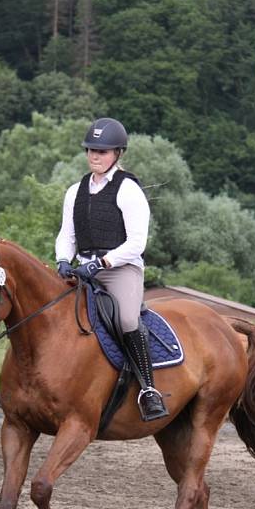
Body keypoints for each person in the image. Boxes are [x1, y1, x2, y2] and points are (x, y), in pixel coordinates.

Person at [55, 117, 169, 422]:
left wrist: (102, 263)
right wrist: (63, 259)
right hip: (82, 270)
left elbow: (137, 242)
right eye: (91, 149)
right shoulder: (74, 191)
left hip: (120, 270)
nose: (94, 155)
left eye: (102, 151)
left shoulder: (128, 190)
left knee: (128, 319)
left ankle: (148, 389)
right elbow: (67, 234)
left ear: (117, 153)